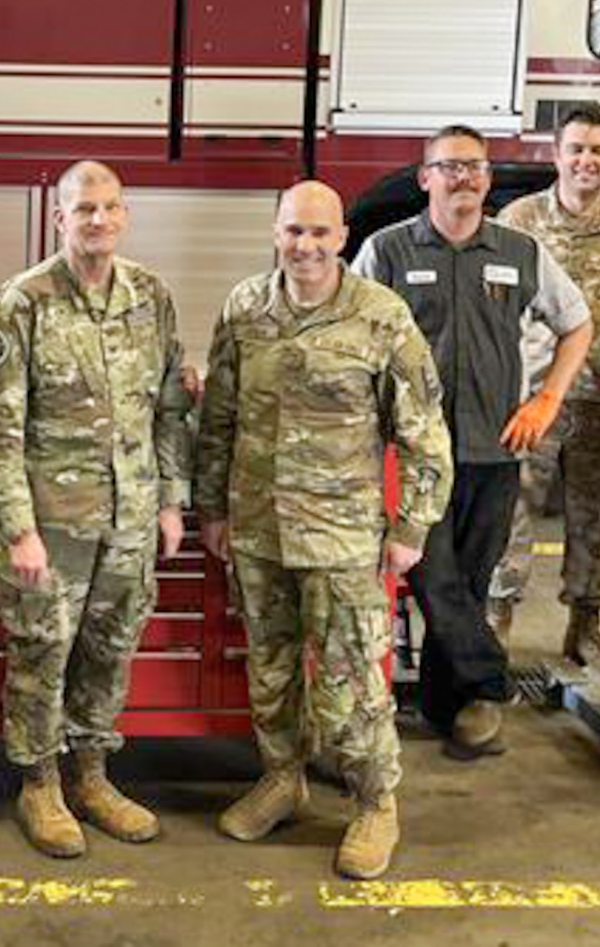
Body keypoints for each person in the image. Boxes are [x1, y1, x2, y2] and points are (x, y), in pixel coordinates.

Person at [197, 180, 452, 879]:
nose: (304, 245)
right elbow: (217, 416)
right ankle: (283, 779)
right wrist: (212, 508)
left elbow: (425, 431)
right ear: (275, 232)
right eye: (292, 231)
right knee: (270, 671)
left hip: (341, 537)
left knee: (349, 682)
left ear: (342, 237)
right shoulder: (246, 307)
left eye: (318, 232)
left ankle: (375, 802)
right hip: (257, 528)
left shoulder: (380, 315)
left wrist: (413, 526)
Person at [0, 161, 192, 859]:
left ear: (123, 216)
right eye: (83, 209)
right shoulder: (24, 301)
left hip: (129, 520)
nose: (97, 220)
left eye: (109, 207)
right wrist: (20, 530)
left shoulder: (150, 296)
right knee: (42, 656)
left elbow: (167, 408)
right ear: (59, 218)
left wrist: (170, 501)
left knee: (110, 652)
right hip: (52, 526)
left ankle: (92, 774)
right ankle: (40, 784)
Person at [351, 126, 591, 760]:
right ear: (424, 177)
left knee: (471, 581)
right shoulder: (386, 252)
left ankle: (445, 708)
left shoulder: (520, 251)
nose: (464, 178)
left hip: (494, 449)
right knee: (435, 579)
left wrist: (547, 399)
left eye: (475, 167)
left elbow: (578, 324)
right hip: (410, 457)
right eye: (449, 166)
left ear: (488, 179)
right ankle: (489, 685)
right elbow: (351, 335)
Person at [488, 103, 600, 670]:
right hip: (531, 402)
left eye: (598, 151)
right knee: (509, 516)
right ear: (556, 154)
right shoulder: (518, 222)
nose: (587, 161)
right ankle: (495, 626)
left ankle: (585, 629)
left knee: (597, 521)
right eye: (577, 149)